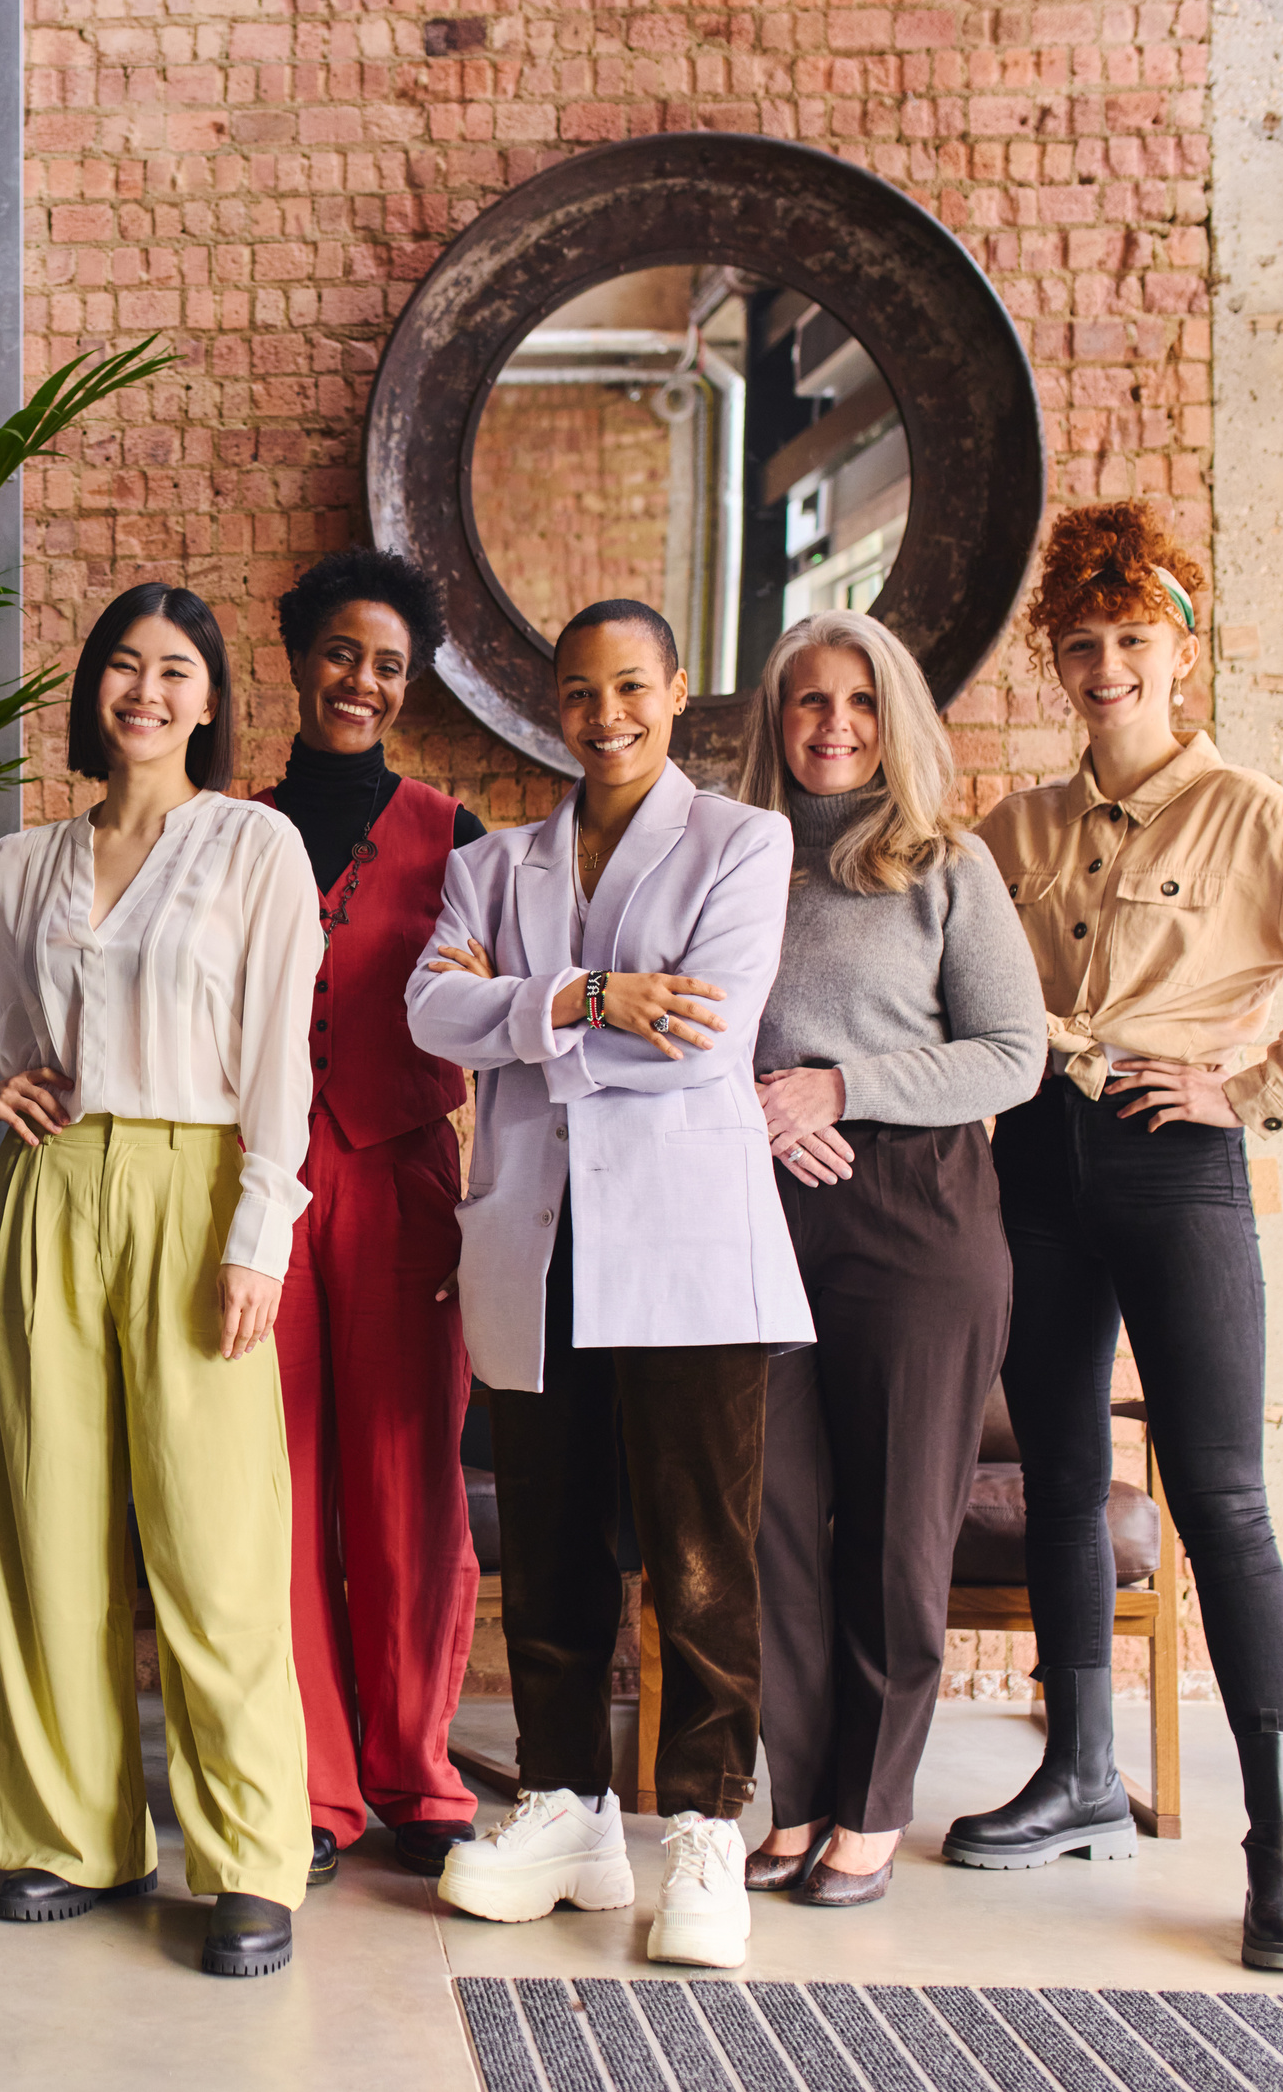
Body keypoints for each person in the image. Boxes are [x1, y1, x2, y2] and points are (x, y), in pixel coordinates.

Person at [952, 501, 1283, 1975]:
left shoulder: (1257, 820)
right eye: (1081, 645)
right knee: (1058, 1471)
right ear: (1056, 661)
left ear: (1180, 651)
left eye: (1132, 641)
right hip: (1033, 1158)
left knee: (1221, 1495)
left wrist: (1253, 1084)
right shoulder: (1014, 831)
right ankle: (1082, 1769)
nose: (1106, 668)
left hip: (1174, 1169)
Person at [406, 597, 810, 1972]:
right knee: (556, 1544)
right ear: (551, 707)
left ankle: (700, 1823)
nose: (604, 715)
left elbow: (703, 1038)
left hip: (687, 1243)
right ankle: (567, 1808)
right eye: (578, 692)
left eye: (629, 686)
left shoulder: (742, 840)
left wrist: (520, 1011)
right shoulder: (496, 859)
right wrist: (589, 998)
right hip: (535, 1234)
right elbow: (424, 1010)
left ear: (677, 690)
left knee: (702, 1554)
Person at [0, 582, 324, 1978]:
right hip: (53, 1185)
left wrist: (257, 1233)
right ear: (92, 692)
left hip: (196, 1178)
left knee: (216, 1538)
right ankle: (67, 1833)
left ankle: (246, 1857)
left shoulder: (252, 844)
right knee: (46, 1518)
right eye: (123, 666)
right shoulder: (19, 863)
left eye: (175, 670)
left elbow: (282, 1052)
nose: (147, 691)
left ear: (212, 698)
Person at [732, 610, 1049, 1909]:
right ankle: (797, 1793)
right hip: (752, 1208)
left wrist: (838, 1085)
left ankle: (867, 1807)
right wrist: (759, 1103)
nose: (833, 725)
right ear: (775, 719)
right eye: (808, 702)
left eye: (859, 702)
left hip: (914, 1215)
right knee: (766, 1527)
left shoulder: (940, 864)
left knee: (892, 1531)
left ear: (894, 717)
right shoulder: (731, 866)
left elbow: (1012, 1052)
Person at [253, 551, 489, 1883]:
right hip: (266, 1182)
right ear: (297, 656)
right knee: (278, 1479)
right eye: (342, 652)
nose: (361, 680)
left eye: (388, 665)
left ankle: (416, 1765)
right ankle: (312, 1785)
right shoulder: (229, 827)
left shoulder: (451, 831)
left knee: (407, 1476)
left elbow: (493, 998)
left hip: (401, 1172)